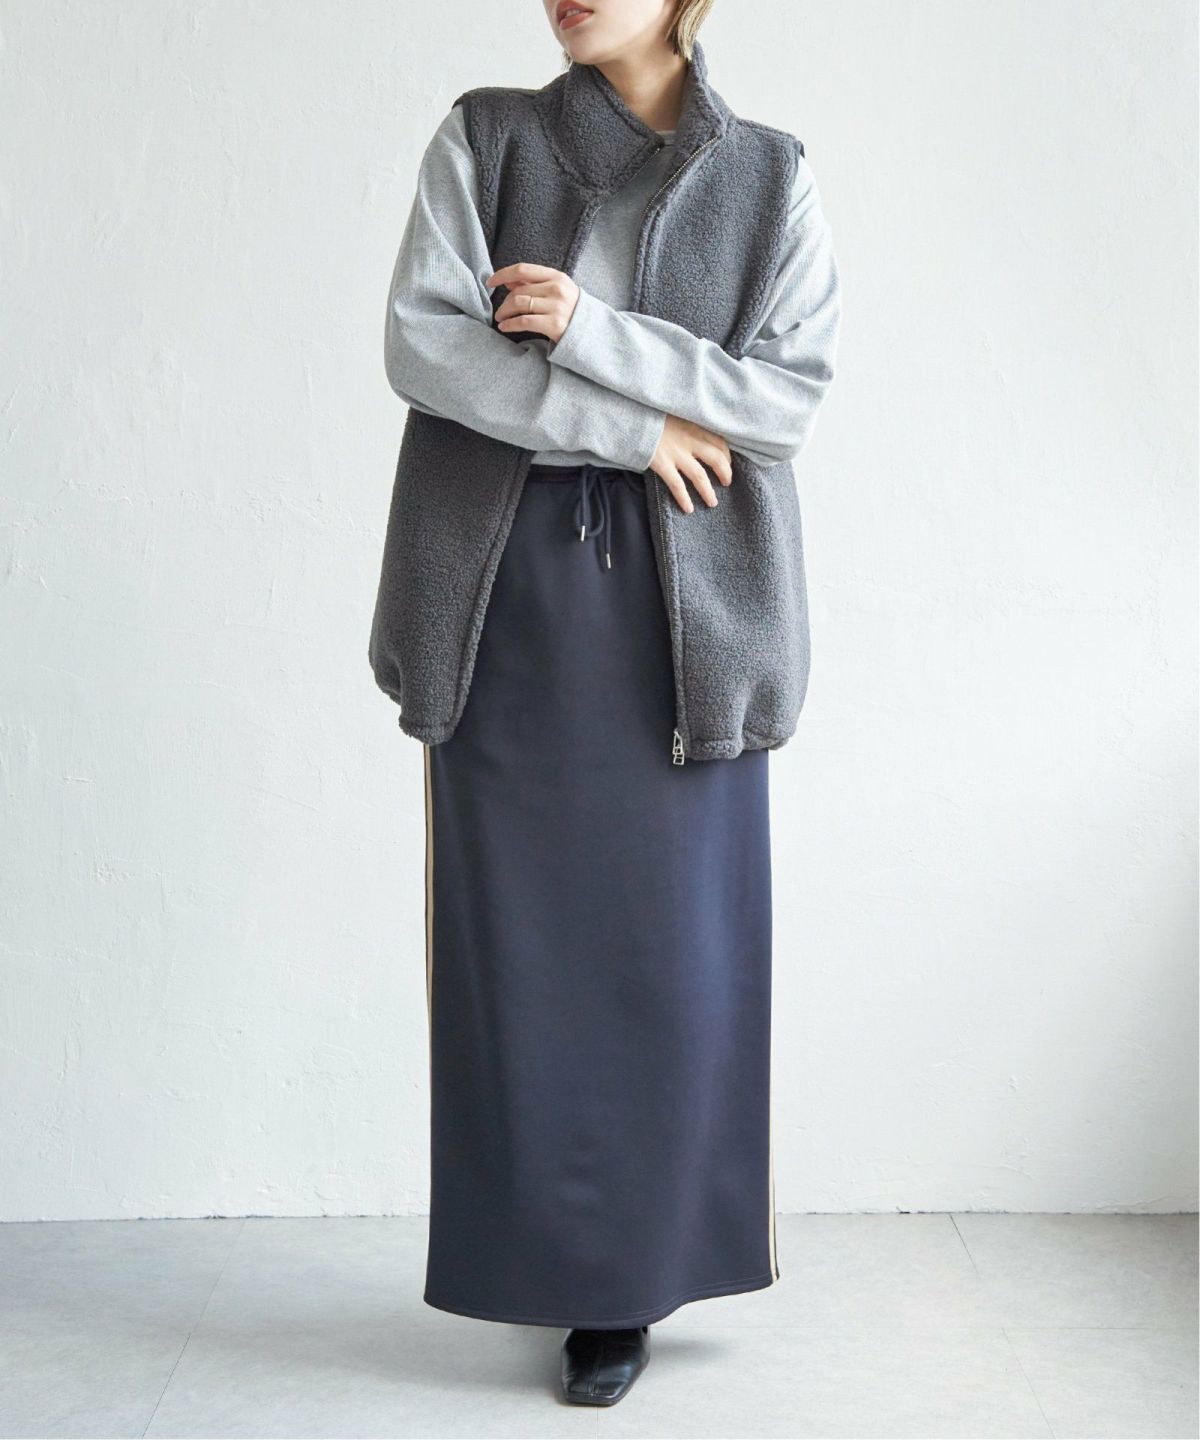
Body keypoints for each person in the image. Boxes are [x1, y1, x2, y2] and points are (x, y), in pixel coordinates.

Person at [368, 0, 841, 1407]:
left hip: (695, 613)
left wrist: (592, 331)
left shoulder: (770, 173)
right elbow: (426, 346)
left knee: (673, 952)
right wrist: (634, 428)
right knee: (517, 949)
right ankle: (545, 1263)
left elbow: (783, 402)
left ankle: (634, 1282)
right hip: (504, 590)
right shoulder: (488, 137)